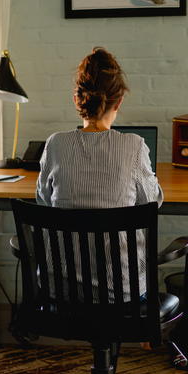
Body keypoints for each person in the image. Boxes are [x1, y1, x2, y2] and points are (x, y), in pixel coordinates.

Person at [36, 47, 162, 305]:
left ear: (77, 100)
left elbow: (43, 202)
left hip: (62, 290)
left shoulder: (55, 144)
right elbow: (151, 204)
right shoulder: (134, 146)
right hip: (123, 294)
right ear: (119, 102)